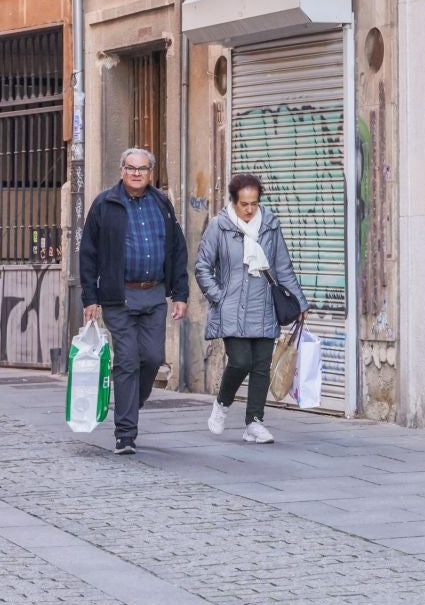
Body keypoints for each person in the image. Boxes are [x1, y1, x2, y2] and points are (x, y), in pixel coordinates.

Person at [77, 146, 187, 455]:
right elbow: (88, 253)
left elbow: (178, 250)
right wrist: (90, 297)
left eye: (142, 169)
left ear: (150, 173)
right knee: (126, 360)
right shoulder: (105, 204)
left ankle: (130, 403)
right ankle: (125, 434)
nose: (136, 173)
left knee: (152, 358)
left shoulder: (162, 203)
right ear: (122, 170)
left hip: (153, 293)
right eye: (130, 168)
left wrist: (180, 294)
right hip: (118, 296)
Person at [194, 173, 306, 445]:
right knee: (241, 361)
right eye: (243, 204)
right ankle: (222, 404)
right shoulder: (219, 227)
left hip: (265, 305)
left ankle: (254, 423)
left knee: (261, 367)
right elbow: (202, 267)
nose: (248, 209)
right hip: (231, 308)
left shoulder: (270, 225)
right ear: (233, 201)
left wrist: (300, 302)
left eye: (254, 203)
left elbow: (282, 267)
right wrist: (219, 297)